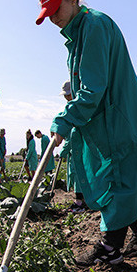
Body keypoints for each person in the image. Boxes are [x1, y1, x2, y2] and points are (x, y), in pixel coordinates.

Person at [36, 0, 137, 266]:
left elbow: (92, 88)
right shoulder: (81, 30)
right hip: (109, 112)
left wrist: (65, 120)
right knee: (120, 175)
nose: (53, 19)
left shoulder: (93, 25)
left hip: (115, 111)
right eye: (48, 15)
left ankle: (110, 248)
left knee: (114, 176)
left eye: (56, 10)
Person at [59, 80, 87, 212]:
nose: (66, 97)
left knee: (78, 175)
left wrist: (64, 151)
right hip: (77, 148)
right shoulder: (73, 107)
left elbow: (71, 134)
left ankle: (80, 202)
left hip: (78, 148)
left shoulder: (77, 108)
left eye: (68, 94)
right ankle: (83, 201)